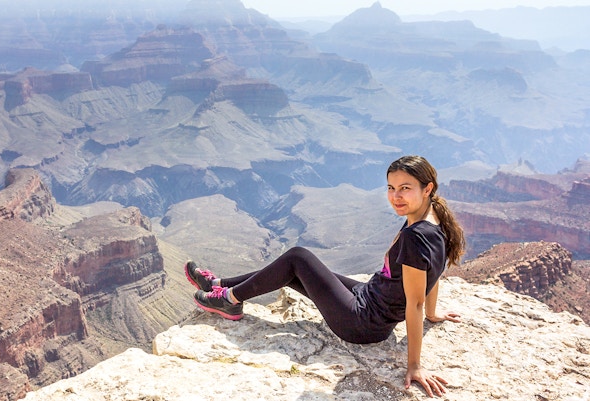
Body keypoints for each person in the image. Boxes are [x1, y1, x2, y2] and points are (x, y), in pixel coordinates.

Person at [184, 155, 465, 398]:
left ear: (427, 188)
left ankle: (230, 300)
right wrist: (433, 313)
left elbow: (413, 301)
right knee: (295, 269)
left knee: (297, 256)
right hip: (369, 298)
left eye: (405, 188)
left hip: (361, 324)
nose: (396, 196)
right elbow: (434, 273)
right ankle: (219, 285)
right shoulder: (431, 217)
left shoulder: (415, 237)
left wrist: (414, 365)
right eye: (391, 188)